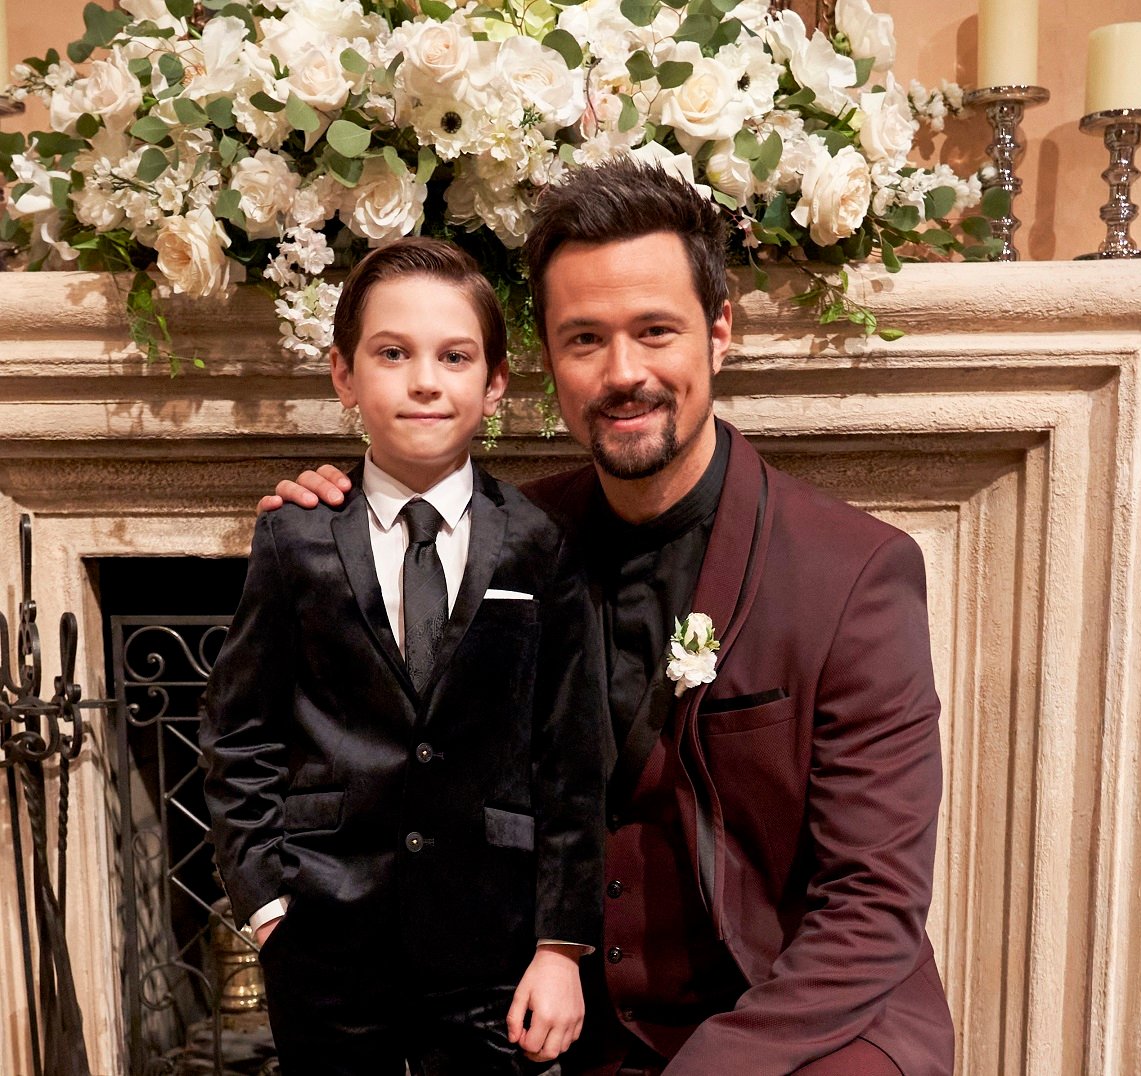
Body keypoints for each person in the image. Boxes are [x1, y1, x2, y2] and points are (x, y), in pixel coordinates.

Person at [262, 158, 956, 1075]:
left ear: (718, 336)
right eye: (584, 339)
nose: (624, 373)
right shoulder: (498, 538)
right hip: (554, 1025)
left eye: (656, 332)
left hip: (794, 1025)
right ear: (544, 364)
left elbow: (871, 906)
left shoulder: (855, 573)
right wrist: (329, 536)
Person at [201, 237, 606, 1076]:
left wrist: (561, 946)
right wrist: (266, 902)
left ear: (494, 381)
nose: (425, 380)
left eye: (454, 356)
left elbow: (569, 759)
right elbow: (237, 729)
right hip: (325, 939)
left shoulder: (539, 545)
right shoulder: (294, 538)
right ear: (344, 374)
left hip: (493, 946)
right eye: (392, 354)